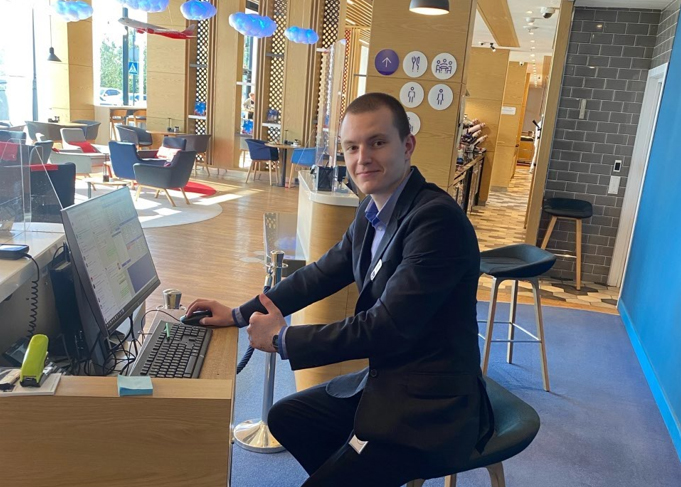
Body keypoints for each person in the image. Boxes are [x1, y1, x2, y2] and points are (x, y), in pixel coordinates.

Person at [187, 93, 493, 486]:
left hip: (431, 405)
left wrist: (283, 339)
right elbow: (319, 275)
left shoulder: (435, 221)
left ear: (407, 145)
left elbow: (385, 327)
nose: (362, 158)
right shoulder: (372, 211)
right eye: (352, 147)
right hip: (387, 381)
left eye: (377, 142)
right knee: (287, 417)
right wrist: (237, 314)